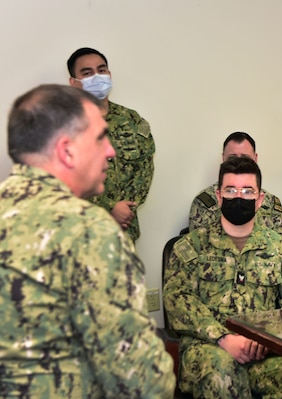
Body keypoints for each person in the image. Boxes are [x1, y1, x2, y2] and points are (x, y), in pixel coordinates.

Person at [0, 84, 174, 397]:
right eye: (99, 138)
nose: (111, 151)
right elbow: (139, 379)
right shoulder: (89, 230)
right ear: (67, 151)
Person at [163, 156, 282, 399]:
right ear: (219, 196)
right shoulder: (191, 247)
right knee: (222, 377)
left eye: (248, 191)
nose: (239, 197)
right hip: (208, 348)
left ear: (260, 200)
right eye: (231, 190)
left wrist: (266, 337)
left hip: (267, 350)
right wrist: (222, 337)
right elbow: (178, 300)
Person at [67, 47, 155, 243]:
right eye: (87, 73)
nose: (97, 77)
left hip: (123, 233)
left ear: (109, 74)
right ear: (74, 83)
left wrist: (125, 208)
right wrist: (108, 209)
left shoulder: (131, 120)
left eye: (102, 70)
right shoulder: (60, 125)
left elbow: (144, 168)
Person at [189, 131, 282, 236]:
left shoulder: (270, 201)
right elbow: (198, 243)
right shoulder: (204, 202)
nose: (239, 163)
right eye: (233, 158)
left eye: (245, 158)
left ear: (255, 158)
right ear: (223, 158)